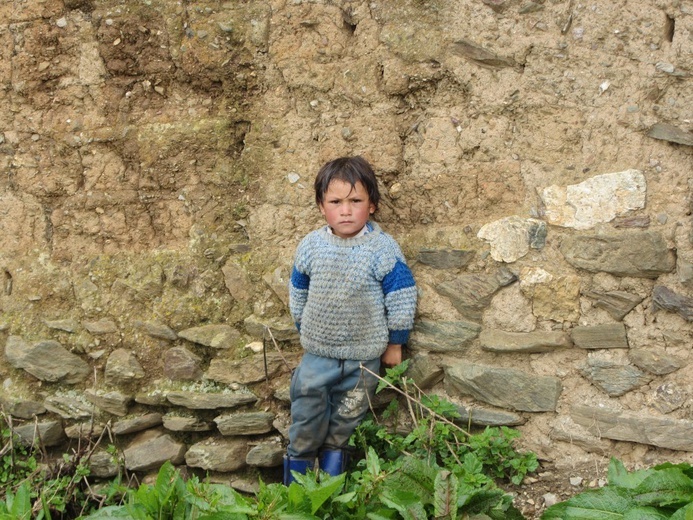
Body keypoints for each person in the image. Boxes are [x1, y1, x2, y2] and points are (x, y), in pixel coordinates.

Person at [284, 155, 417, 485]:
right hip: (318, 355)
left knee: (348, 416)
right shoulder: (312, 246)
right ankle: (296, 486)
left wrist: (395, 343)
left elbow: (401, 295)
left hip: (364, 359)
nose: (346, 210)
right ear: (321, 206)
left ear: (372, 205)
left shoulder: (382, 249)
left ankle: (331, 485)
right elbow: (298, 291)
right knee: (306, 412)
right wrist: (304, 327)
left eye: (356, 200)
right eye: (336, 201)